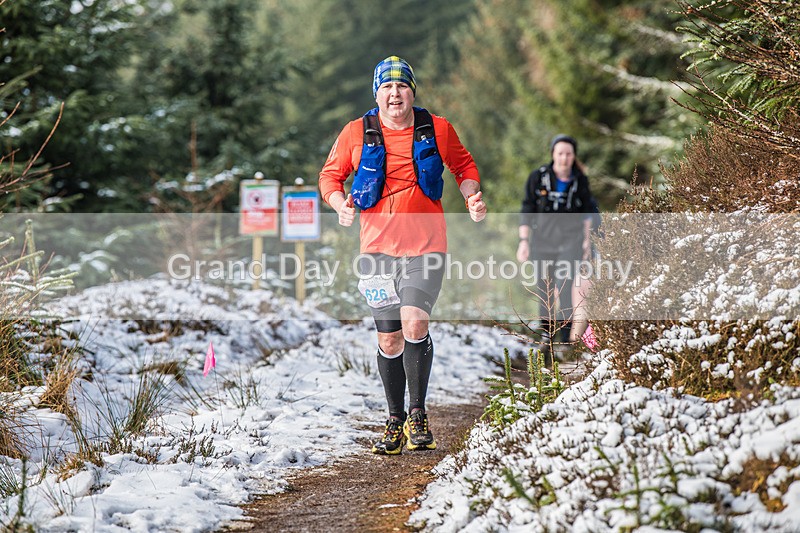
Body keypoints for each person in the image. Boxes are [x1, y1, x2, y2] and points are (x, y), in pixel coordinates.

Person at [319, 56, 487, 455]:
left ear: (412, 91)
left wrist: (472, 196)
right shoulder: (355, 132)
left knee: (414, 323)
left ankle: (417, 412)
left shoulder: (437, 128)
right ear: (376, 94)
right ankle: (394, 418)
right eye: (387, 87)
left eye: (402, 86)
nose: (395, 94)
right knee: (390, 337)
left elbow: (463, 165)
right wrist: (340, 203)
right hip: (375, 250)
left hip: (426, 245)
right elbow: (329, 176)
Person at [516, 134, 598, 361]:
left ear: (574, 156)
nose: (564, 158)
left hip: (569, 241)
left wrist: (587, 242)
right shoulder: (538, 177)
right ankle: (546, 334)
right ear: (553, 154)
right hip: (542, 242)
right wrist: (523, 241)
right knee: (544, 289)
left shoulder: (579, 180)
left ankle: (564, 339)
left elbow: (589, 211)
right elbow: (527, 209)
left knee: (564, 286)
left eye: (568, 154)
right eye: (560, 153)